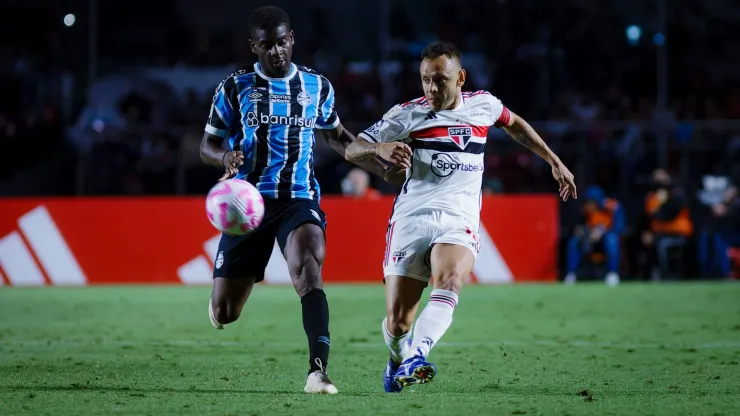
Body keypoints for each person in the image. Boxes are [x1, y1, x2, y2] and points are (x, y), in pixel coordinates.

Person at [198, 6, 411, 394]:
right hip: (248, 204)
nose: (277, 51)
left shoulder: (317, 86)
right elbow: (207, 145)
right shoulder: (235, 87)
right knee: (226, 311)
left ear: (292, 39)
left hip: (299, 198)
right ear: (253, 47)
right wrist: (225, 157)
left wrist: (380, 162)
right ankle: (218, 307)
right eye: (267, 45)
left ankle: (318, 372)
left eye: (282, 42)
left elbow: (339, 139)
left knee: (308, 269)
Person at [344, 40, 577, 392]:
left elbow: (515, 124)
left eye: (440, 80)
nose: (432, 88)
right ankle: (398, 358)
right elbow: (351, 147)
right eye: (426, 80)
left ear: (461, 77)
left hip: (458, 217)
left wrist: (554, 161)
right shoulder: (407, 113)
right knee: (398, 322)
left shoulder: (484, 105)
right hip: (412, 218)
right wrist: (380, 147)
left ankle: (416, 357)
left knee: (451, 280)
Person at [564, 186, 624, 285]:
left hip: (605, 240)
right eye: (588, 201)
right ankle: (571, 274)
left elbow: (619, 228)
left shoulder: (614, 207)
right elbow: (576, 226)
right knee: (573, 241)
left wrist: (602, 231)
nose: (589, 204)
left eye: (592, 201)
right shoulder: (585, 210)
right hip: (589, 240)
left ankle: (612, 274)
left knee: (612, 239)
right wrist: (582, 231)